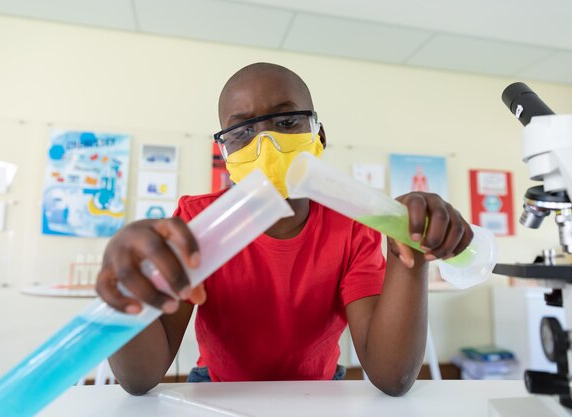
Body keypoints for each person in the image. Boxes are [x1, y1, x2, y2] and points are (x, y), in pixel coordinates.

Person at [96, 63, 473, 397]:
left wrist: (409, 248)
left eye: (287, 121)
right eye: (241, 131)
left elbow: (393, 376)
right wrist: (126, 281)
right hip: (218, 391)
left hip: (319, 393)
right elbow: (140, 378)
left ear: (319, 136)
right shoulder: (197, 222)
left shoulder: (352, 229)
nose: (266, 144)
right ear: (225, 154)